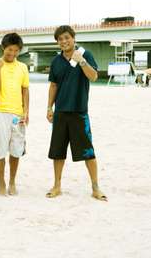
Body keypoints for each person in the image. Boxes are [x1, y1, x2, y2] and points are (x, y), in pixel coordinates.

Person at [46, 25, 107, 201]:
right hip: (60, 113)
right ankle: (57, 185)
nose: (64, 41)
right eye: (60, 39)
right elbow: (53, 85)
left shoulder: (84, 54)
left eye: (67, 38)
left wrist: (81, 60)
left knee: (88, 151)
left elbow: (93, 76)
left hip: (79, 112)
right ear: (58, 42)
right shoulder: (56, 61)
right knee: (57, 151)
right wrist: (49, 107)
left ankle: (95, 187)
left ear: (73, 38)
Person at [0, 33, 29, 196]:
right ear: (3, 48)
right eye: (10, 50)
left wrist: (26, 111)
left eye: (16, 50)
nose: (12, 53)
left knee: (16, 150)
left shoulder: (23, 67)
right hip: (1, 113)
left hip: (18, 115)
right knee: (0, 151)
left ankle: (12, 181)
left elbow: (25, 90)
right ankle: (2, 184)